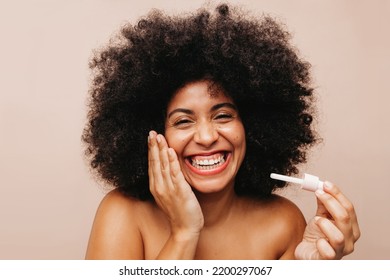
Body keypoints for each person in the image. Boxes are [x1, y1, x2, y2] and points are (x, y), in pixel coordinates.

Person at [83, 3, 360, 259]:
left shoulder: (283, 223)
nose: (206, 137)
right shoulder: (123, 214)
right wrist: (184, 233)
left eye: (223, 115)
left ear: (250, 125)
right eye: (183, 121)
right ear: (154, 133)